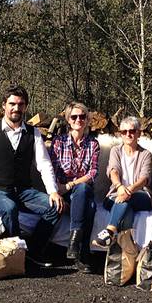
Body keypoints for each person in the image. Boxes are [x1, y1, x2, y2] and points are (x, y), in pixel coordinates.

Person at [0, 84, 64, 266]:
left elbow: (44, 164)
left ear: (25, 107)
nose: (16, 108)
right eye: (12, 104)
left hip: (24, 191)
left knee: (55, 206)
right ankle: (14, 253)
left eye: (20, 104)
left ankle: (32, 251)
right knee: (10, 209)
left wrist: (53, 191)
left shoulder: (33, 133)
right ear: (4, 105)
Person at [49, 101, 100, 272]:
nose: (79, 120)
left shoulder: (93, 144)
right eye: (74, 117)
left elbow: (92, 173)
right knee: (91, 207)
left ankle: (73, 243)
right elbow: (52, 171)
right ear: (68, 120)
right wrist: (60, 188)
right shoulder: (58, 142)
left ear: (87, 120)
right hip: (62, 191)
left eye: (82, 116)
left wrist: (70, 184)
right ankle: (83, 253)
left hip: (79, 189)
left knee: (84, 190)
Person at [92, 117, 152, 247]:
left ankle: (109, 231)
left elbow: (144, 178)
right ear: (120, 134)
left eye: (132, 131)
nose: (128, 134)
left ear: (138, 133)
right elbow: (113, 170)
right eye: (124, 131)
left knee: (126, 199)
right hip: (117, 194)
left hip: (141, 195)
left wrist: (129, 190)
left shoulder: (146, 154)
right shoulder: (116, 150)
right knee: (126, 208)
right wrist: (119, 187)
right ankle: (127, 252)